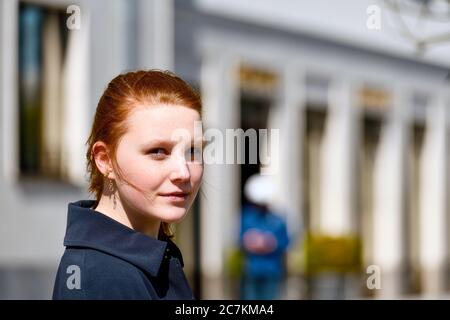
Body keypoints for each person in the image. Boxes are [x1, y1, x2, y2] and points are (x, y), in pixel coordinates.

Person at [52, 70, 204, 299]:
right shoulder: (103, 278)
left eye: (193, 151)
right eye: (158, 151)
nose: (183, 172)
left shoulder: (148, 259)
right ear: (105, 159)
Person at [239, 174, 290, 300]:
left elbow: (286, 242)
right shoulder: (246, 217)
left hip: (272, 271)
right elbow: (240, 239)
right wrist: (251, 242)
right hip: (251, 270)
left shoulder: (277, 219)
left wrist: (270, 243)